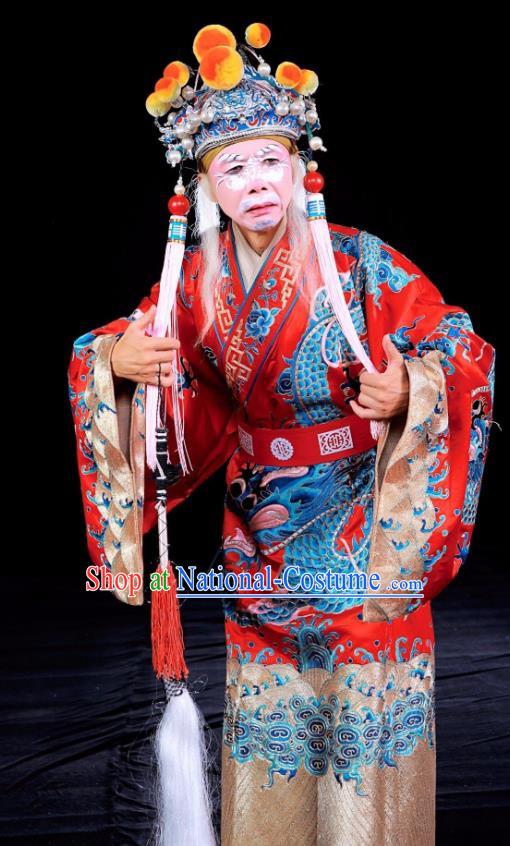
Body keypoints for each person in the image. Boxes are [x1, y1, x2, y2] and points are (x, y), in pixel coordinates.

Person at [68, 22, 495, 846]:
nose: (259, 181)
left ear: (303, 169)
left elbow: (459, 343)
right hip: (257, 534)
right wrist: (116, 361)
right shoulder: (193, 283)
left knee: (362, 720)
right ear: (202, 188)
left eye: (273, 160)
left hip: (360, 530)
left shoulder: (361, 262)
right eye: (235, 166)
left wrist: (411, 382)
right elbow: (137, 372)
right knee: (275, 725)